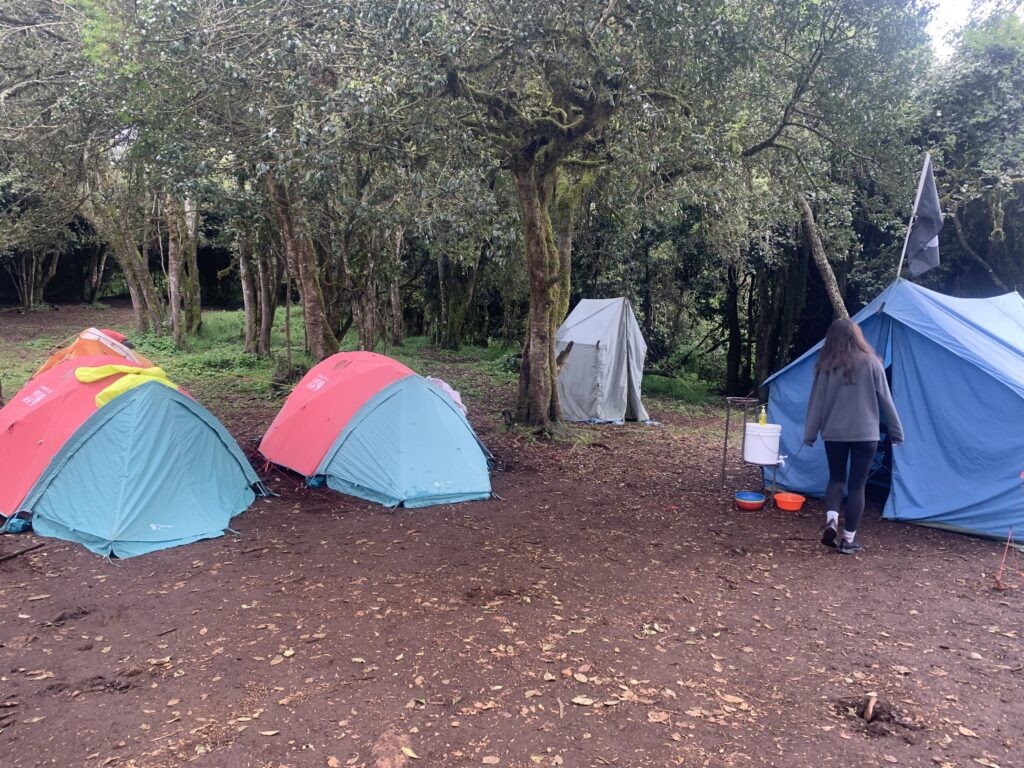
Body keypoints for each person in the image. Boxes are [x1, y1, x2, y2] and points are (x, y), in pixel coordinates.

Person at [803, 318, 903, 555]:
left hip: (834, 433)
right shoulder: (872, 363)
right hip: (866, 435)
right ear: (857, 337)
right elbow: (886, 401)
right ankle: (848, 540)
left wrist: (809, 434)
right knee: (858, 486)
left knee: (836, 479)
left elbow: (816, 403)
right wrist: (896, 432)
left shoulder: (826, 365)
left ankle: (831, 520)